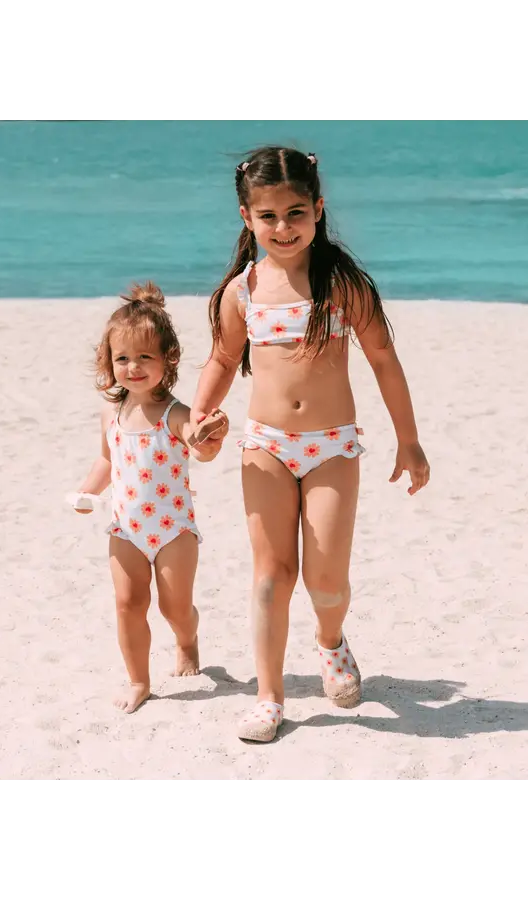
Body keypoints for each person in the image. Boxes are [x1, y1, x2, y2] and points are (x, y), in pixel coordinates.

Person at [190, 146, 430, 742]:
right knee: (271, 574)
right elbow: (222, 360)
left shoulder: (340, 284)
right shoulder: (241, 292)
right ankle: (268, 698)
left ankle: (330, 640)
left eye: (296, 212)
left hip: (331, 448)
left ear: (319, 210)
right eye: (268, 216)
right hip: (265, 445)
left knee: (326, 580)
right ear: (247, 218)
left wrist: (410, 440)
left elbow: (382, 358)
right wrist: (198, 418)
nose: (283, 227)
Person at [74, 282, 228, 714]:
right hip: (125, 528)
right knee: (128, 604)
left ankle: (187, 638)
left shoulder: (175, 413)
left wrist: (209, 439)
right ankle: (139, 680)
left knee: (174, 607)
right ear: (109, 363)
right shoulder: (112, 412)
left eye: (145, 357)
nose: (133, 367)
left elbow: (199, 447)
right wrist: (88, 490)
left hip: (173, 529)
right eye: (122, 358)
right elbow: (108, 460)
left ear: (168, 360)